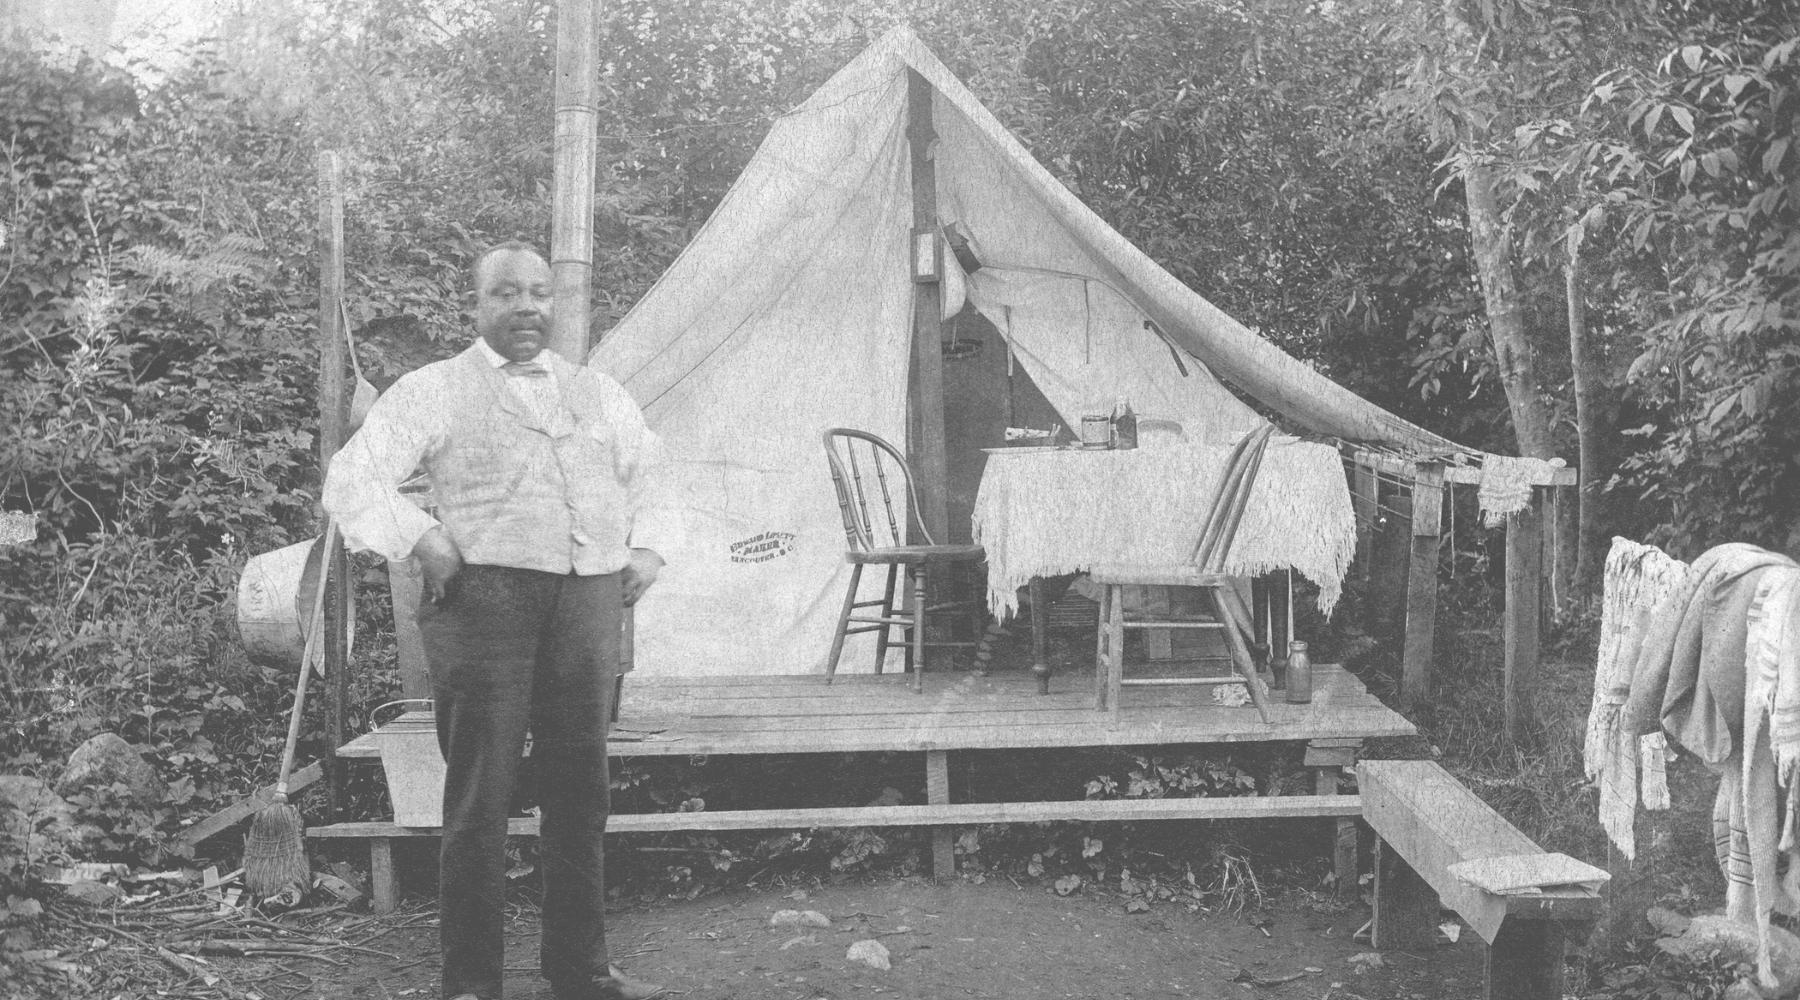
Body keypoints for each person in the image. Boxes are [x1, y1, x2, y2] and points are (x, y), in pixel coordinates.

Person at [324, 241, 673, 1000]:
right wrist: (422, 537)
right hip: (485, 607)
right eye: (507, 294)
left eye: (540, 294)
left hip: (585, 605)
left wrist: (647, 546)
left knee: (581, 790)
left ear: (556, 304)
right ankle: (473, 983)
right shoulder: (432, 389)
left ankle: (579, 969)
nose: (526, 308)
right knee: (482, 794)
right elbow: (352, 479)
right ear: (477, 306)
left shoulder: (598, 391)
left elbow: (653, 470)